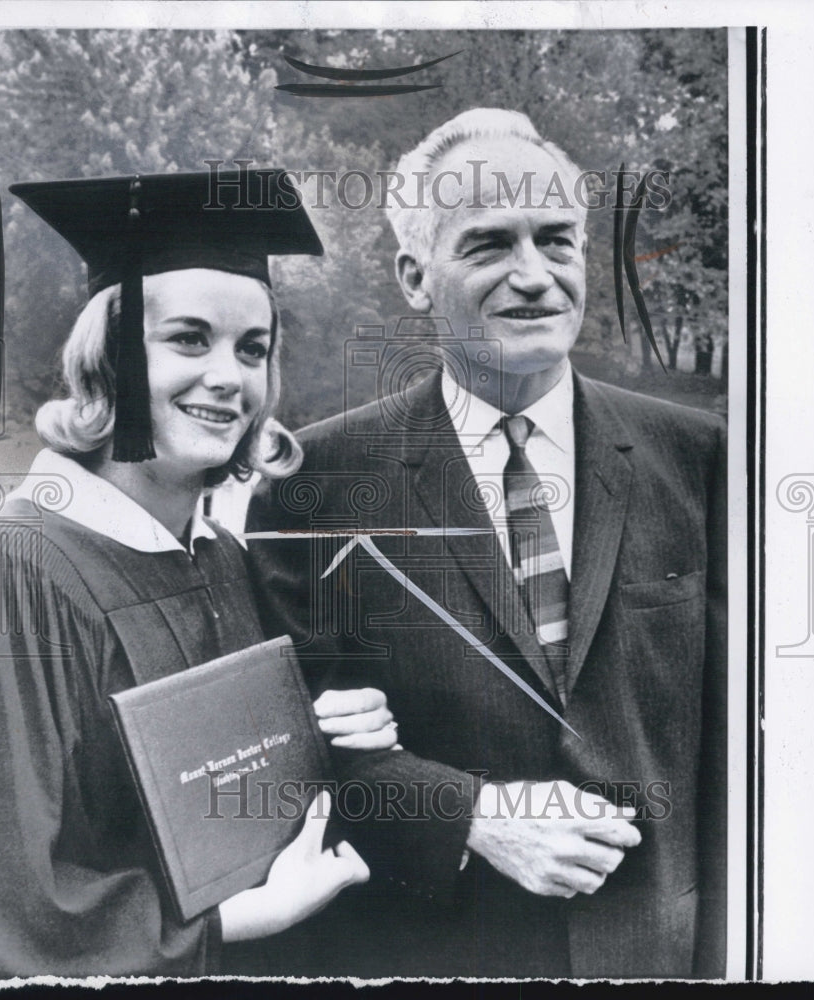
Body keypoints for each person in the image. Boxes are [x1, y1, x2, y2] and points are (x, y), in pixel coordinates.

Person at [247, 109, 727, 979]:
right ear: (413, 276)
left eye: (557, 240)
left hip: (659, 956)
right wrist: (467, 812)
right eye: (488, 245)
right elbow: (285, 758)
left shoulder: (700, 458)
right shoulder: (315, 480)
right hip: (431, 955)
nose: (534, 276)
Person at [0, 169, 399, 980]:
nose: (229, 377)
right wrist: (230, 919)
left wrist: (309, 731)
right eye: (190, 339)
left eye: (253, 350)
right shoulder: (11, 569)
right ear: (109, 358)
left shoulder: (219, 557)